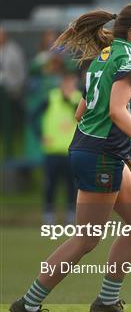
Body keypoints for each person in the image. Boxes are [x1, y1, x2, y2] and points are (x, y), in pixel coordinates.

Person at [9, 3, 131, 312]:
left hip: (102, 150)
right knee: (87, 239)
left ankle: (107, 300)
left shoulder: (105, 55)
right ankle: (29, 303)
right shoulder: (128, 58)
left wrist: (123, 146)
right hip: (100, 154)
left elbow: (83, 113)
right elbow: (118, 111)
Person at [31, 69, 80, 224]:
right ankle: (49, 214)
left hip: (72, 151)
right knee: (50, 185)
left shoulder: (80, 99)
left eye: (71, 81)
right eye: (66, 81)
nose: (68, 84)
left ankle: (71, 214)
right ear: (61, 82)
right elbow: (33, 116)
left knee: (72, 185)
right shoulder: (51, 97)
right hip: (52, 151)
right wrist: (40, 136)